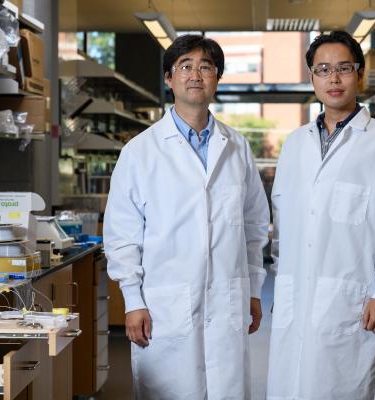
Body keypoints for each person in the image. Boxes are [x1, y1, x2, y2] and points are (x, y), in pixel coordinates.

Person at [104, 34, 269, 399]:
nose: (196, 75)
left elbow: (255, 227)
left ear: (217, 78)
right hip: (165, 306)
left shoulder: (237, 147)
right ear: (169, 78)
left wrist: (254, 290)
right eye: (186, 66)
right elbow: (122, 234)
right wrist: (133, 300)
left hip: (227, 299)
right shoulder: (140, 152)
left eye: (206, 67)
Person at [266, 31, 375, 400]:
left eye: (343, 69)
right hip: (297, 293)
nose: (333, 79)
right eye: (323, 69)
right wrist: (283, 279)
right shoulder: (295, 144)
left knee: (347, 388)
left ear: (360, 74)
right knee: (294, 386)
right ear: (311, 78)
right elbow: (284, 223)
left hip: (356, 300)